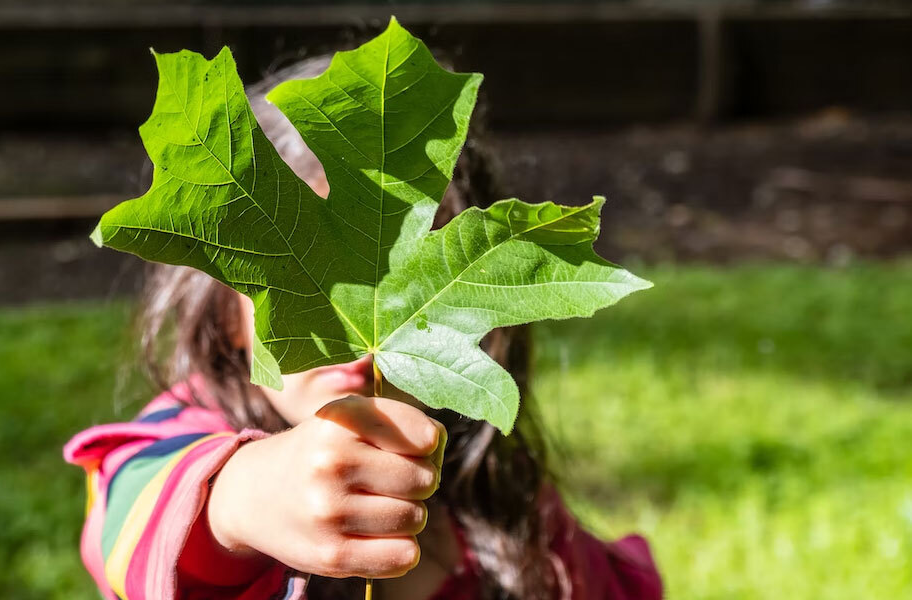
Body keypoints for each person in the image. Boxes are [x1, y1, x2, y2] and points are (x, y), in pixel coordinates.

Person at [64, 57, 662, 600]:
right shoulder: (184, 436)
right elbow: (132, 518)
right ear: (227, 314)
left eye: (401, 274)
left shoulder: (496, 493)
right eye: (305, 273)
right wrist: (245, 501)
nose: (349, 310)